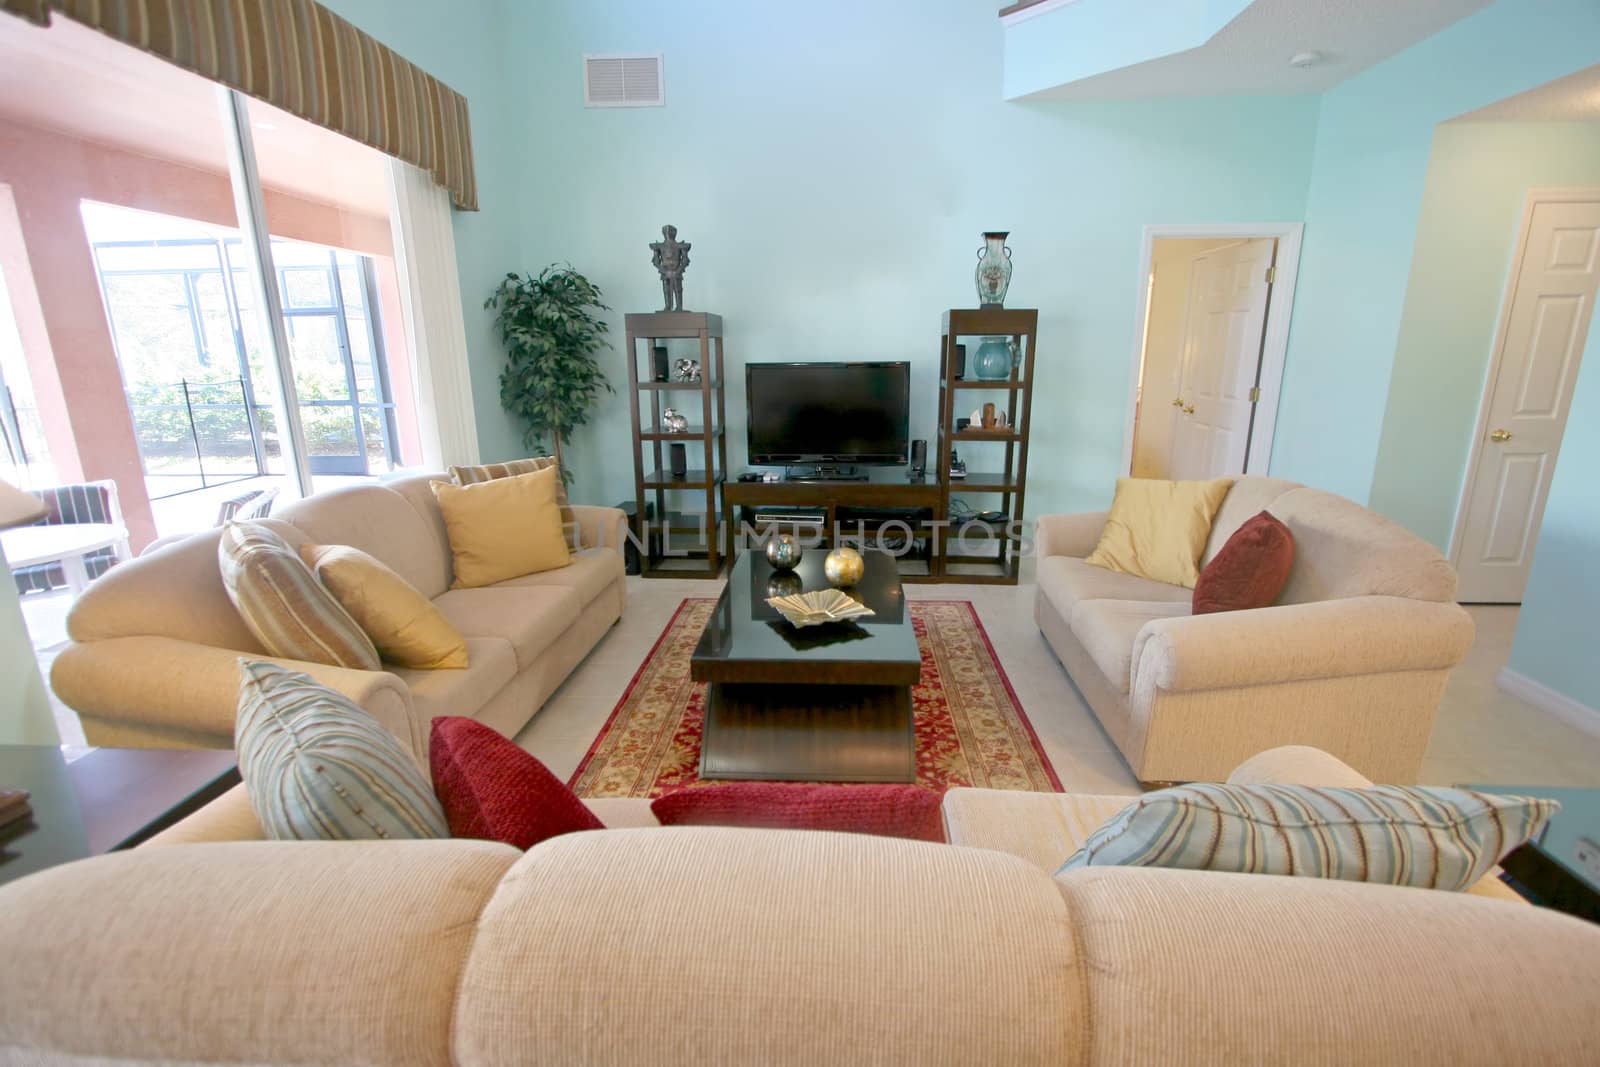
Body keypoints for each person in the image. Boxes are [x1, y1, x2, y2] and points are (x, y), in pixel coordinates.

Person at [649, 224, 691, 311]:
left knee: (678, 288)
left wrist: (678, 271)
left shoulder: (681, 246)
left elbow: (685, 260)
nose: (668, 233)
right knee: (666, 288)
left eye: (671, 231)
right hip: (665, 271)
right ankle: (667, 306)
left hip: (677, 271)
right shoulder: (659, 246)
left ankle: (679, 306)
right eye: (667, 231)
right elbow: (656, 262)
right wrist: (665, 272)